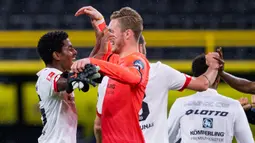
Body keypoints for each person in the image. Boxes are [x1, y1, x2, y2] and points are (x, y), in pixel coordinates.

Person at [72, 7, 150, 143]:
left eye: (112, 31)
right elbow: (105, 51)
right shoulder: (115, 61)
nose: (109, 35)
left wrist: (92, 61)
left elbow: (133, 77)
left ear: (127, 34)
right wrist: (100, 22)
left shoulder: (138, 60)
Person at [168, 54, 254, 143]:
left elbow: (166, 139)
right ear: (218, 79)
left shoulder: (181, 103)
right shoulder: (234, 106)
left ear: (194, 78)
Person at [35, 31, 98, 143]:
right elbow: (60, 83)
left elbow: (91, 61)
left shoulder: (62, 75)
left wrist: (100, 37)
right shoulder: (45, 75)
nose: (75, 52)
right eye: (70, 49)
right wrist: (74, 79)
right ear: (57, 55)